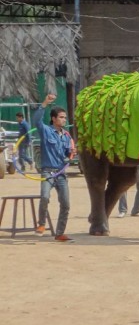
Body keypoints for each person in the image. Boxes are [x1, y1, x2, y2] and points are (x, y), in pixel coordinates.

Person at [34, 94, 75, 241]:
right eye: (61, 117)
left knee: (66, 204)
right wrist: (44, 103)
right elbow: (36, 120)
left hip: (61, 173)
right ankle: (41, 224)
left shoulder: (66, 136)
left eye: (65, 117)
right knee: (44, 196)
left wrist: (70, 153)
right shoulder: (46, 131)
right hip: (48, 172)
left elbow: (67, 154)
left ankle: (59, 233)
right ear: (54, 118)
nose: (64, 119)